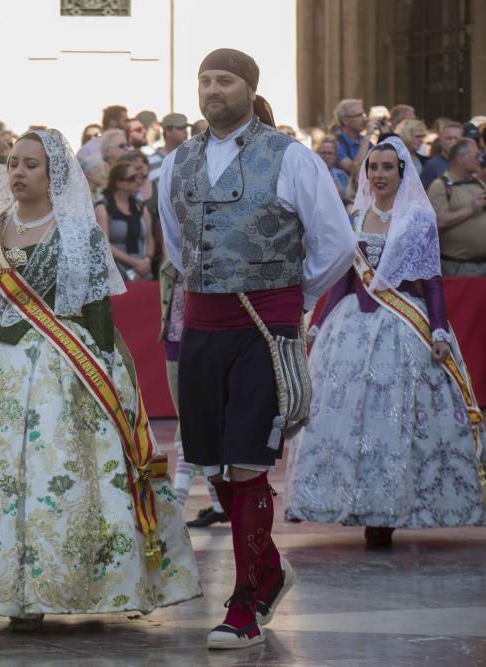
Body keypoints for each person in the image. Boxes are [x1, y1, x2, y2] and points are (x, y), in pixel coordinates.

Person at [0, 128, 200, 630]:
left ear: (54, 173)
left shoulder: (78, 232)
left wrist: (104, 366)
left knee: (61, 477)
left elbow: (97, 308)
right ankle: (8, 590)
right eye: (13, 163)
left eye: (30, 164)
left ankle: (83, 583)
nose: (18, 172)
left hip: (63, 368)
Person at [159, 49, 355, 649]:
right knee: (209, 458)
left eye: (224, 80)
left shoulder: (291, 157)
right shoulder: (176, 162)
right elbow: (175, 244)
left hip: (263, 328)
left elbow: (336, 244)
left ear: (249, 88)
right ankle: (267, 568)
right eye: (205, 81)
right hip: (202, 325)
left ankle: (247, 600)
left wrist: (289, 303)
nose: (212, 90)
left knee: (247, 461)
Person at [285, 137, 484, 548]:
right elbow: (343, 278)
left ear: (402, 172)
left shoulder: (418, 219)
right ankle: (349, 501)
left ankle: (390, 509)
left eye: (387, 168)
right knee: (347, 417)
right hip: (350, 329)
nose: (378, 175)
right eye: (372, 168)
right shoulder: (354, 217)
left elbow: (431, 281)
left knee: (395, 418)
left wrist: (440, 330)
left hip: (404, 327)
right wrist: (318, 324)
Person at [427, 138, 486, 276]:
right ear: (461, 158)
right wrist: (471, 209)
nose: (481, 159)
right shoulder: (440, 185)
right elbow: (437, 221)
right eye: (476, 156)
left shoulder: (478, 183)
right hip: (459, 268)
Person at [95, 160, 154, 282]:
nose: (138, 181)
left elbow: (150, 237)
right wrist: (136, 263)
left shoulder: (140, 205)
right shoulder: (103, 207)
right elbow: (104, 244)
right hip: (116, 273)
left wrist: (147, 260)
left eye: (138, 176)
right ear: (119, 183)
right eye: (132, 178)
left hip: (143, 271)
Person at [333, 98, 378, 177]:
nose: (365, 119)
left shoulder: (363, 140)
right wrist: (368, 135)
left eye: (364, 114)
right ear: (345, 121)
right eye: (359, 115)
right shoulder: (335, 143)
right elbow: (356, 169)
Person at [148, 113, 189, 183]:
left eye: (185, 127)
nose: (185, 131)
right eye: (181, 128)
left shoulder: (193, 157)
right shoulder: (150, 161)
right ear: (167, 131)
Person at [316, 135, 351, 203]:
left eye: (330, 153)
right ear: (317, 154)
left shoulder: (342, 175)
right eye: (323, 153)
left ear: (335, 156)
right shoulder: (309, 174)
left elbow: (349, 197)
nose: (326, 156)